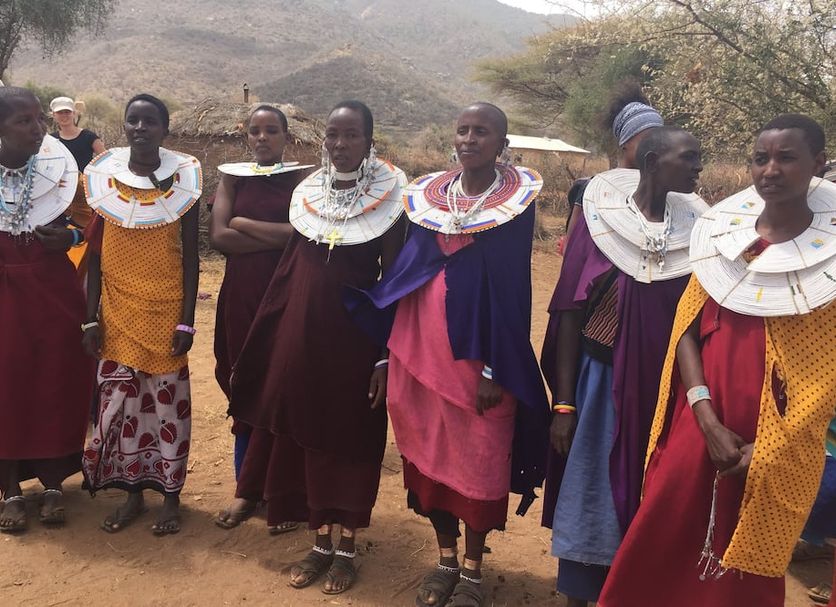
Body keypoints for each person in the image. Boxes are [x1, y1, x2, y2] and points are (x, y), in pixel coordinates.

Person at [597, 114, 836, 607]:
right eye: (760, 158)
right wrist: (704, 417)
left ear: (818, 163)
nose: (770, 169)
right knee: (660, 540)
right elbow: (686, 329)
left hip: (775, 442)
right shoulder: (725, 242)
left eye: (787, 158)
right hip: (699, 419)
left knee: (742, 573)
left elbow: (824, 374)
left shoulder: (829, 265)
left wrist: (765, 451)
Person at [348, 101, 551, 607]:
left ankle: (474, 572)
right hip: (417, 352)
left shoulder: (514, 208)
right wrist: (385, 356)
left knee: (479, 459)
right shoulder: (427, 200)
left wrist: (495, 368)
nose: (469, 139)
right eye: (463, 130)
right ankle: (445, 559)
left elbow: (513, 290)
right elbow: (403, 278)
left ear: (502, 143)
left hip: (477, 360)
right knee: (428, 454)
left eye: (482, 131)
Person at [228, 100, 406, 594]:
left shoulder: (391, 201)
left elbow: (393, 284)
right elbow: (292, 272)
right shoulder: (307, 196)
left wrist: (385, 356)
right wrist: (275, 336)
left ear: (369, 141)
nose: (340, 144)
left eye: (352, 135)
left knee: (349, 441)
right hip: (303, 339)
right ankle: (320, 543)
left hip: (355, 345)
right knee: (304, 436)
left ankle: (347, 548)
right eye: (333, 134)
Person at [541, 126, 706, 606]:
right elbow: (569, 314)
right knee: (591, 490)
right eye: (689, 157)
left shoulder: (697, 235)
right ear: (653, 162)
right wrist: (564, 404)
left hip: (664, 393)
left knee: (651, 497)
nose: (699, 167)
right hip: (600, 387)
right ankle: (579, 595)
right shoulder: (599, 227)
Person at [80, 94, 201, 536]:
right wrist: (90, 319)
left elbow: (191, 260)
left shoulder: (183, 187)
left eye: (150, 121)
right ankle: (132, 492)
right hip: (116, 312)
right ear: (125, 126)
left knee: (167, 408)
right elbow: (95, 257)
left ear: (164, 130)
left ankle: (171, 496)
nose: (140, 128)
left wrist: (186, 321)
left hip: (165, 313)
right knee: (125, 407)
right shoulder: (103, 185)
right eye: (133, 120)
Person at [210, 104, 312, 533]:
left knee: (282, 388)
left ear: (287, 136)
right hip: (242, 295)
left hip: (287, 293)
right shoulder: (232, 177)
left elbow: (304, 234)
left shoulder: (303, 180)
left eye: (272, 130)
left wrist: (243, 222)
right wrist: (277, 238)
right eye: (255, 131)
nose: (262, 137)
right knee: (245, 382)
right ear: (246, 136)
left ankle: (280, 494)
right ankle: (245, 490)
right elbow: (219, 237)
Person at [0, 86, 93, 532]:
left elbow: (92, 220)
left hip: (55, 290)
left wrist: (70, 238)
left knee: (58, 378)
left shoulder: (62, 171)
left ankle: (54, 482)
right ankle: (10, 489)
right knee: (7, 385)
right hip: (5, 295)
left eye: (40, 118)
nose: (38, 129)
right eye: (24, 121)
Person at [559, 84, 663, 253]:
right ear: (625, 142)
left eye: (661, 140)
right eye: (648, 140)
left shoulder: (659, 191)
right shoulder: (592, 190)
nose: (657, 147)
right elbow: (571, 251)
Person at [49, 96, 105, 272]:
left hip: (86, 196)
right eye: (60, 113)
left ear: (74, 113)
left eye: (67, 112)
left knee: (90, 234)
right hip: (59, 197)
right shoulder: (50, 140)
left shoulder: (88, 137)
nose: (64, 116)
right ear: (54, 115)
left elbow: (106, 161)